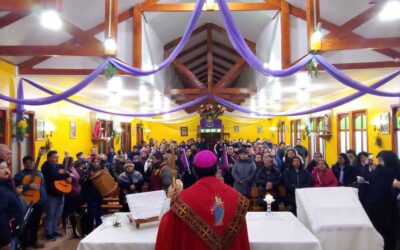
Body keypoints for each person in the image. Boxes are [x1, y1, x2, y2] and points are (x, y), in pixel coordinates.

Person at [155, 150, 250, 250]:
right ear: (216, 169)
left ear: (194, 171)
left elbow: (165, 226)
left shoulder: (182, 199)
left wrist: (169, 198)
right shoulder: (237, 198)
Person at [364, 151, 399, 250]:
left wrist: (368, 166)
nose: (378, 160)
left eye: (380, 158)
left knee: (383, 229)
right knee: (389, 230)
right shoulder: (393, 168)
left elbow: (369, 177)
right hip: (386, 202)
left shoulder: (382, 169)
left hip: (382, 203)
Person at [14, 156, 47, 249]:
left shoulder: (39, 173)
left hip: (39, 201)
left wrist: (44, 199)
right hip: (26, 202)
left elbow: (43, 187)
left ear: (33, 163)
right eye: (26, 163)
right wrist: (28, 186)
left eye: (31, 162)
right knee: (25, 224)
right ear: (23, 164)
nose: (29, 165)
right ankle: (24, 244)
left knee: (35, 223)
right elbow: (16, 188)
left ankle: (34, 241)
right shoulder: (19, 175)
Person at [41, 150, 72, 241]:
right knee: (50, 214)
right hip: (51, 194)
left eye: (58, 157)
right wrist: (65, 175)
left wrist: (69, 176)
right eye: (55, 157)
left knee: (58, 214)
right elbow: (55, 176)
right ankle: (48, 233)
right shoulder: (45, 166)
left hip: (60, 192)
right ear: (49, 158)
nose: (57, 159)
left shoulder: (58, 166)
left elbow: (65, 171)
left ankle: (54, 230)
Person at [0, 159, 24, 250]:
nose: (6, 170)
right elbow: (1, 217)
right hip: (6, 237)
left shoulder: (6, 184)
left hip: (13, 232)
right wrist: (5, 242)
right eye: (1, 168)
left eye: (6, 167)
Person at [61, 154, 81, 239]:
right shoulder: (66, 170)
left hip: (77, 192)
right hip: (70, 193)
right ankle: (72, 231)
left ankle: (77, 229)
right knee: (71, 212)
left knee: (77, 212)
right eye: (72, 161)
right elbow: (66, 180)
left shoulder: (73, 169)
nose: (73, 162)